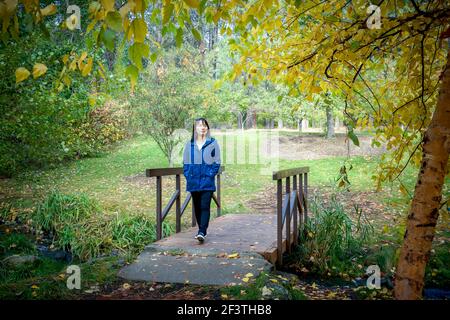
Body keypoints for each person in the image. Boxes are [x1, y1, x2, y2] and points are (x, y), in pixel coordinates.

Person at [182, 117, 221, 243]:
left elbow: (217, 161)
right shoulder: (189, 144)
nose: (202, 127)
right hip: (193, 181)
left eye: (204, 125)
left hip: (207, 180)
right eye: (199, 125)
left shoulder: (213, 143)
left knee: (205, 206)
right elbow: (186, 162)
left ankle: (202, 231)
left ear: (207, 128)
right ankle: (201, 230)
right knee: (197, 207)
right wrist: (188, 174)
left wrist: (210, 174)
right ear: (195, 128)